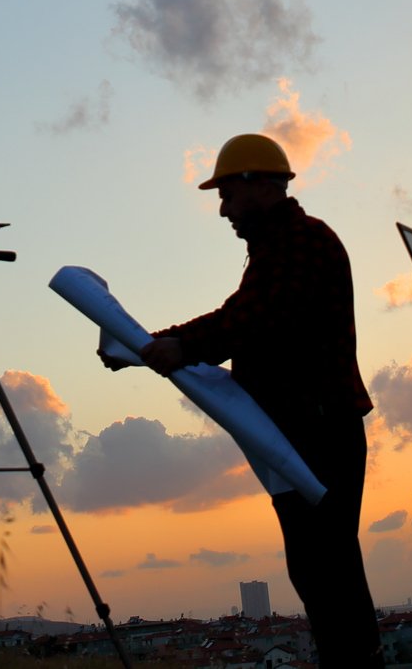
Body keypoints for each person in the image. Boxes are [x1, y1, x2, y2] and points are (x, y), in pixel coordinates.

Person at [117, 133, 382, 667]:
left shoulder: (301, 243)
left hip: (318, 431)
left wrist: (170, 345)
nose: (223, 210)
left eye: (227, 196)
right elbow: (244, 314)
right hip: (302, 433)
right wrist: (154, 347)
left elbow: (251, 319)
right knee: (319, 567)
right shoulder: (283, 247)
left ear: (260, 187)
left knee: (325, 568)